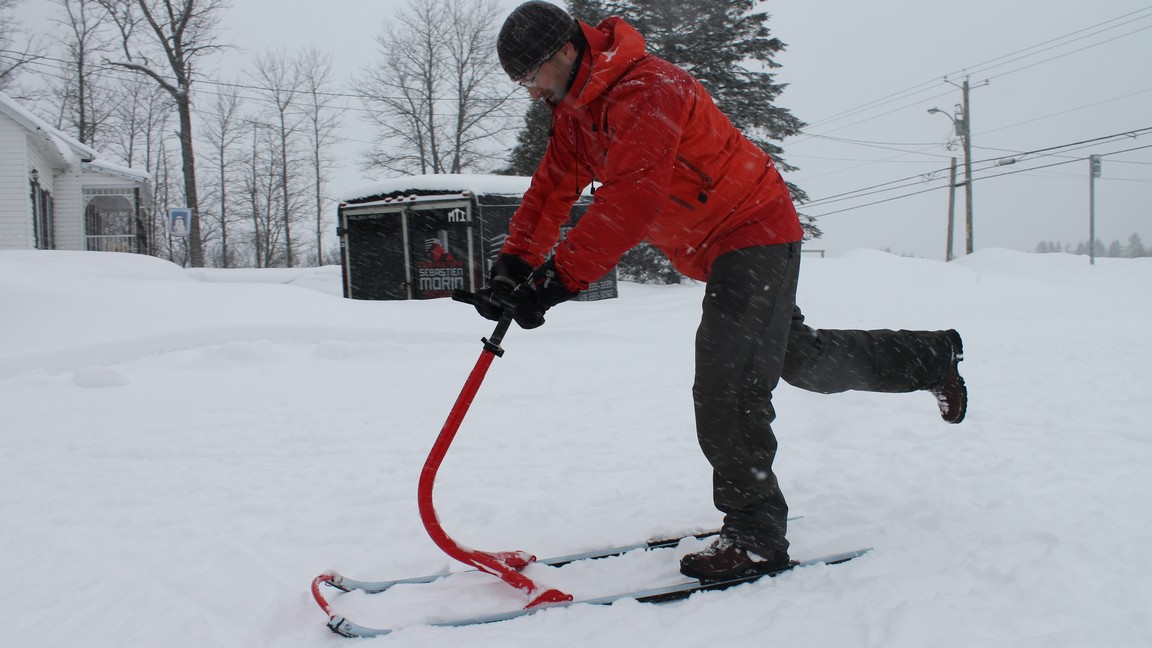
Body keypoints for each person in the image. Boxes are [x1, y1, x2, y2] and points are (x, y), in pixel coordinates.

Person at [479, 1, 968, 582]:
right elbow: (550, 192)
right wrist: (513, 265)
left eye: (532, 77)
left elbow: (632, 202)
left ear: (563, 51)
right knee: (800, 359)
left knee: (726, 380)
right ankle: (931, 357)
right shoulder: (576, 116)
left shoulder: (650, 88)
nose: (532, 91)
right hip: (715, 248)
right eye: (522, 84)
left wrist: (557, 281)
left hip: (755, 228)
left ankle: (757, 532)